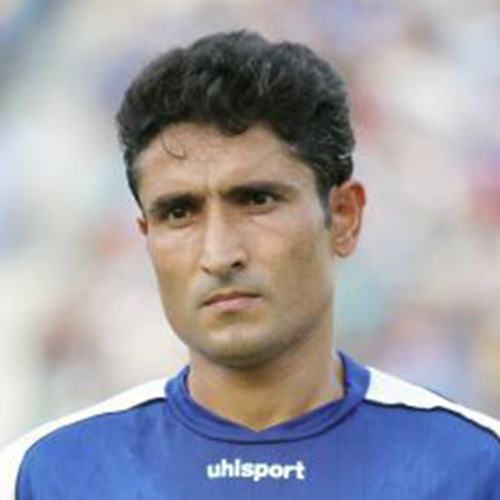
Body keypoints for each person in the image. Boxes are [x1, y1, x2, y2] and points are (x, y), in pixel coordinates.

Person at [1, 30, 499, 499]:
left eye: (257, 200)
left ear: (344, 217)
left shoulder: (474, 468)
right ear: (146, 238)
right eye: (179, 212)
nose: (219, 254)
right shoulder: (47, 475)